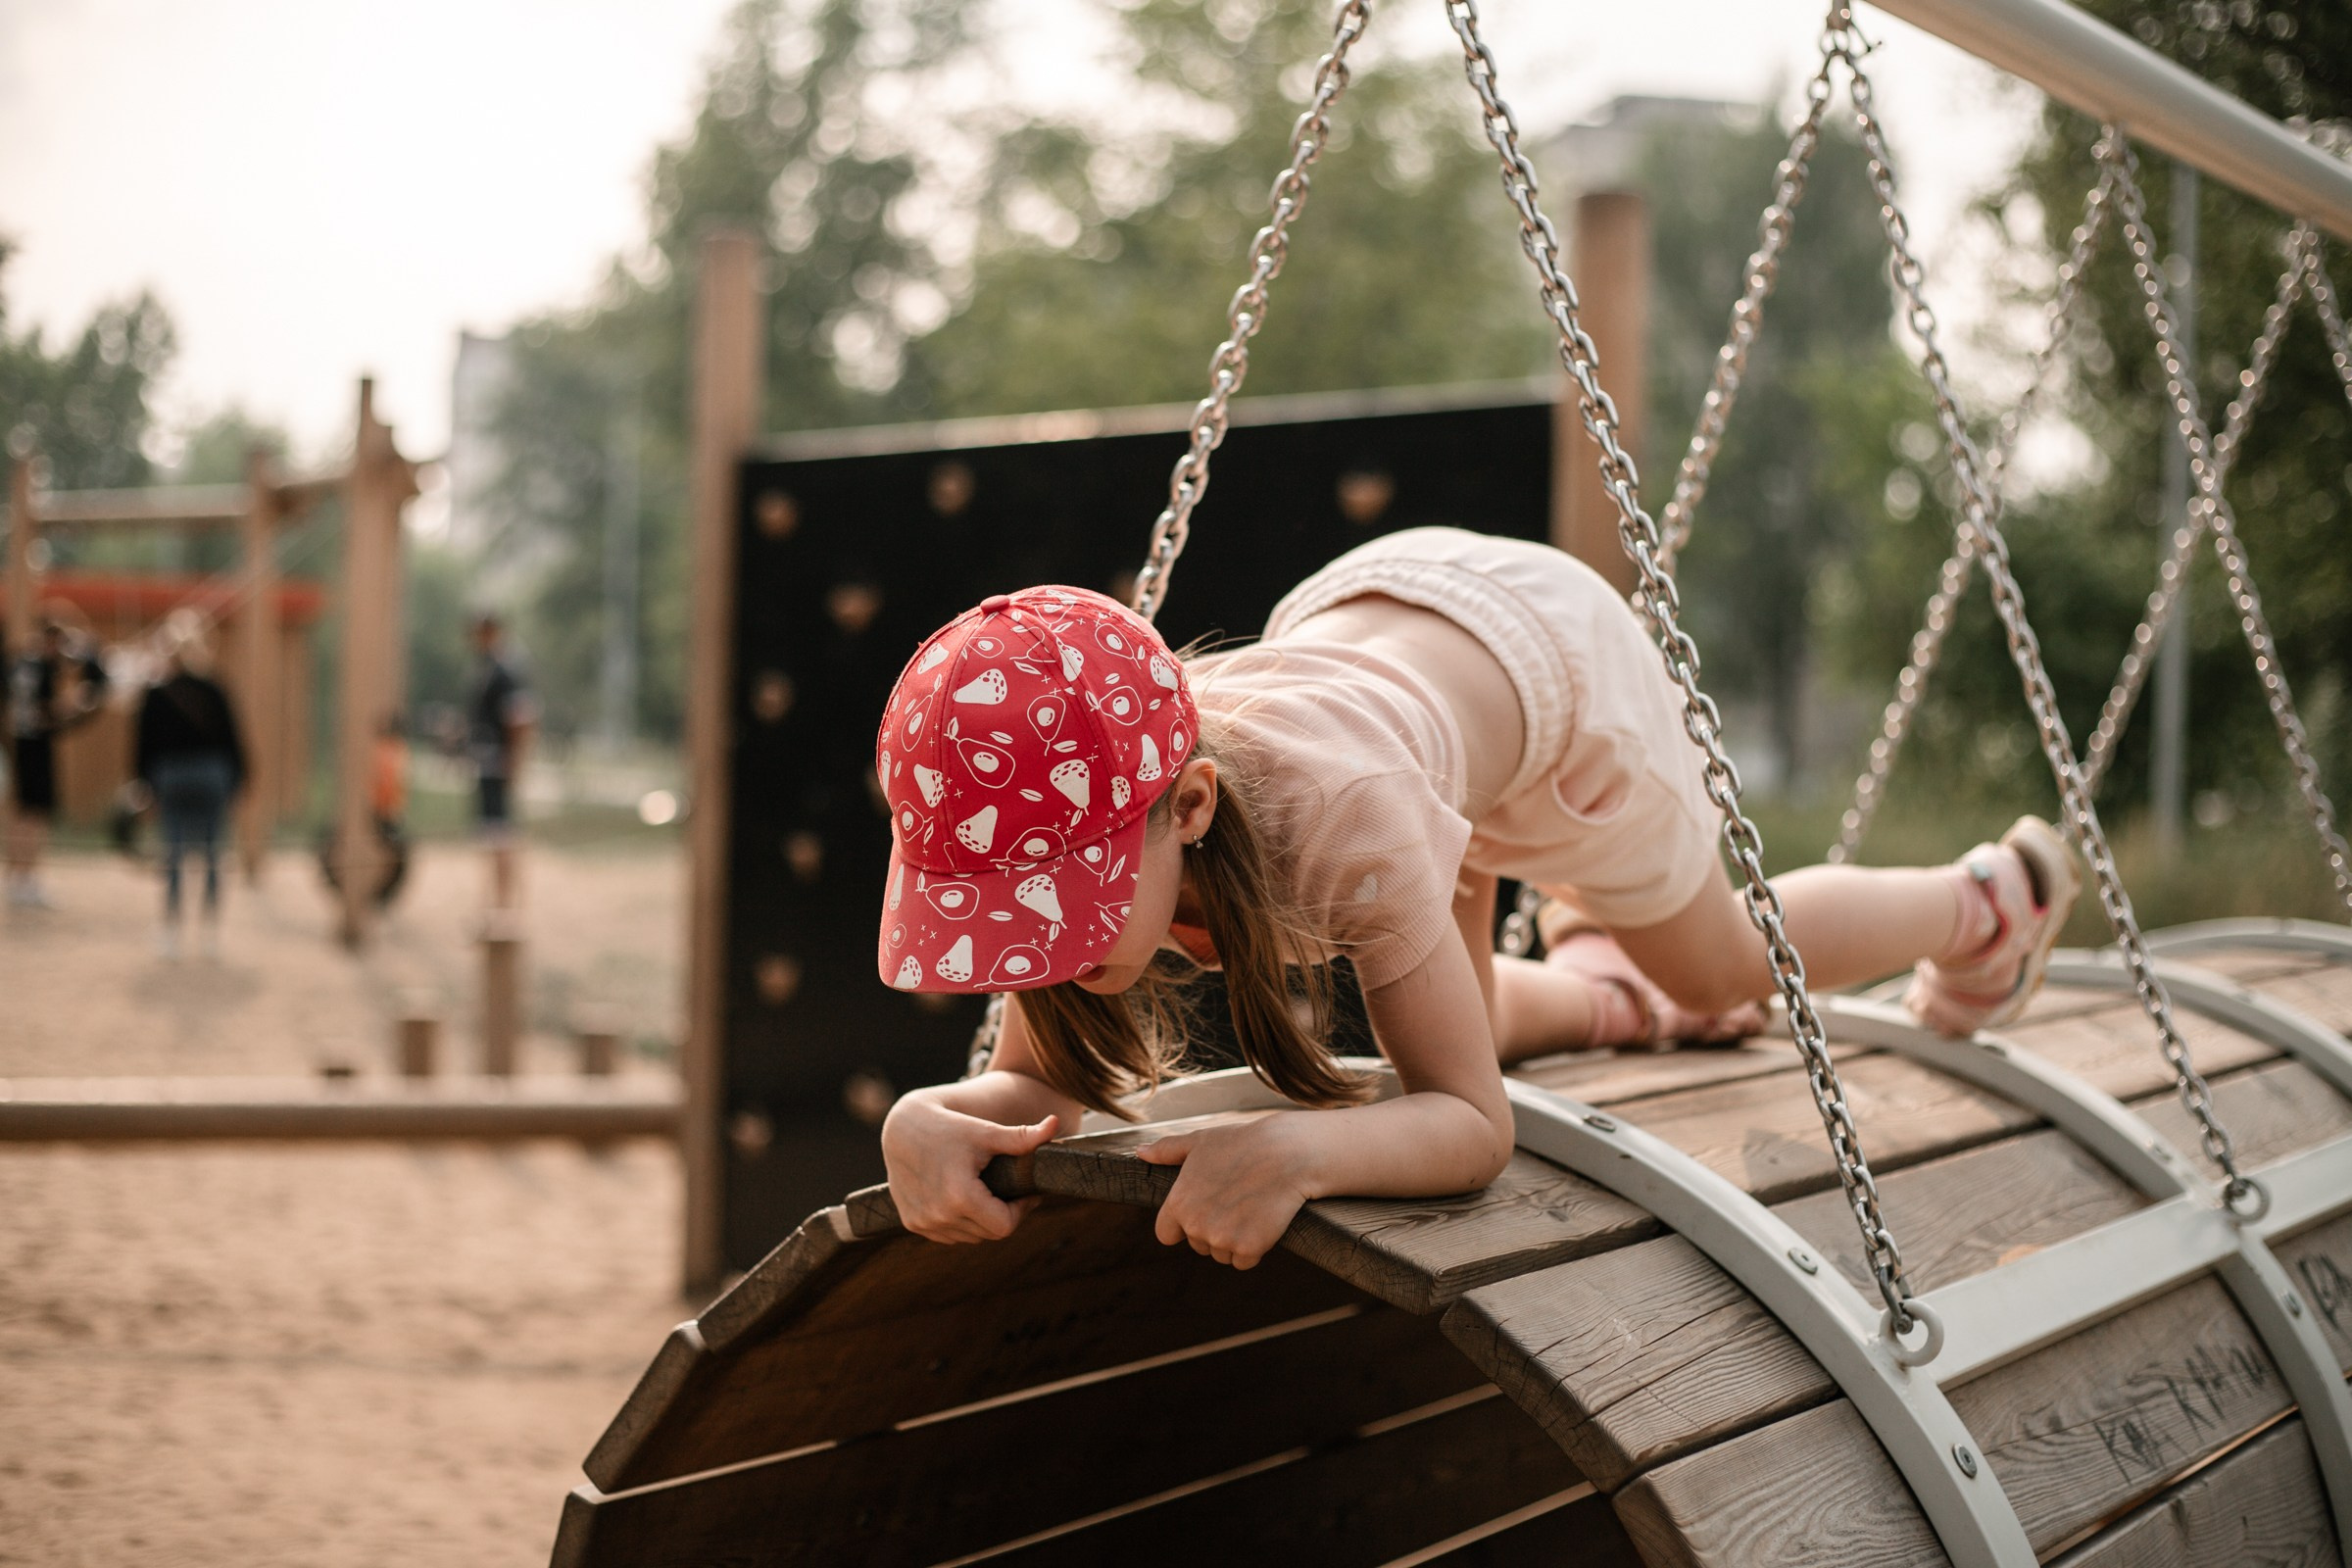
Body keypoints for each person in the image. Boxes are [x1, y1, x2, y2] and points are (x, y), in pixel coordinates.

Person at [874, 529, 2083, 1269]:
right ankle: (1612, 995)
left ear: (1187, 810)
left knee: (1719, 971)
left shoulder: (1341, 829)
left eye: (1057, 903)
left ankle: (1987, 899)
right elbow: (1041, 1091)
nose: (1033, 945)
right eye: (999, 912)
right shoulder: (1095, 822)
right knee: (1466, 1021)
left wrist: (1294, 1151)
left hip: (1551, 676)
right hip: (1387, 651)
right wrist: (929, 1115)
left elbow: (1472, 1129)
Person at [134, 612, 246, 956]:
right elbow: (233, 739)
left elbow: (143, 745)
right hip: (212, 775)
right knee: (213, 853)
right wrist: (239, 782)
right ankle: (211, 933)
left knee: (174, 852)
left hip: (171, 776)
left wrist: (143, 786)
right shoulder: (215, 688)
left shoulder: (156, 693)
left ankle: (171, 931)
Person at [6, 610, 110, 909]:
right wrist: (73, 704)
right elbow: (44, 711)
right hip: (36, 743)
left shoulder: (21, 663)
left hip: (23, 742)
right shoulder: (39, 666)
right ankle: (26, 877)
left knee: (24, 811)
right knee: (34, 814)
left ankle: (19, 875)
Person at [466, 613, 536, 908]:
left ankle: (504, 906)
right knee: (493, 835)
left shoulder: (505, 672)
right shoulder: (489, 669)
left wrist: (514, 762)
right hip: (488, 760)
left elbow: (520, 719)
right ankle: (497, 903)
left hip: (496, 762)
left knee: (501, 835)